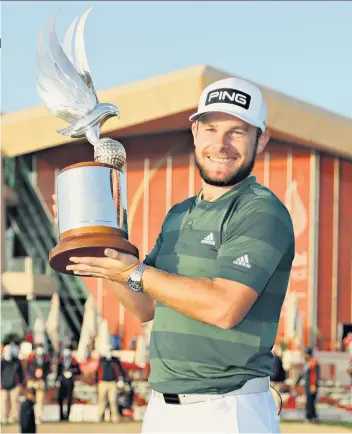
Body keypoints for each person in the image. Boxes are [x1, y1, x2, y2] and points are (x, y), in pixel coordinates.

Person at [57, 77, 295, 433]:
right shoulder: (179, 214)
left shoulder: (260, 211)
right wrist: (102, 246)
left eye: (237, 132)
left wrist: (135, 272)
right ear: (195, 132)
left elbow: (224, 308)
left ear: (261, 139)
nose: (221, 143)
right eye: (211, 128)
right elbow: (144, 307)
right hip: (163, 410)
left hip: (228, 410)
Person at [95, 345, 127, 422]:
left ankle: (114, 416)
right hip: (102, 382)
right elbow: (97, 371)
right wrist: (96, 382)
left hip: (113, 383)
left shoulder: (115, 360)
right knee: (102, 400)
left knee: (113, 400)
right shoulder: (102, 360)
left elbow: (121, 370)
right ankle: (100, 416)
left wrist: (121, 379)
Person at [26, 343, 51, 424]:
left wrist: (42, 375)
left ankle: (39, 417)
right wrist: (34, 375)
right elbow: (28, 369)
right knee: (30, 399)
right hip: (32, 380)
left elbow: (48, 370)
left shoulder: (46, 358)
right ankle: (29, 416)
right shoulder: (31, 357)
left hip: (41, 381)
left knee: (40, 400)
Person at [55, 346, 81, 421]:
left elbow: (78, 371)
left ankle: (67, 416)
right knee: (60, 399)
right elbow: (58, 371)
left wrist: (71, 370)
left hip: (70, 381)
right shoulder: (61, 360)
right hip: (62, 381)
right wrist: (57, 380)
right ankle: (61, 416)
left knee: (69, 399)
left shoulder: (73, 360)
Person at [1, 343, 25, 424]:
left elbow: (21, 373)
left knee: (14, 402)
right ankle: (4, 417)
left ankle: (13, 418)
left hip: (15, 385)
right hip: (4, 385)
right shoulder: (2, 362)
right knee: (4, 402)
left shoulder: (16, 361)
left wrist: (20, 383)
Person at [296, 347, 320, 423]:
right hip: (307, 386)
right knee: (308, 402)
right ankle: (311, 417)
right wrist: (297, 382)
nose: (304, 356)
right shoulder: (307, 364)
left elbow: (315, 375)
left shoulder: (314, 363)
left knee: (310, 402)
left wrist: (314, 385)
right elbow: (302, 374)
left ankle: (311, 417)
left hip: (311, 385)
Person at [270, 346, 286, 412]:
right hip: (274, 380)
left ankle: (276, 411)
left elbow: (276, 372)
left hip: (274, 381)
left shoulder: (275, 359)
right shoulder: (277, 359)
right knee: (274, 396)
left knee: (275, 396)